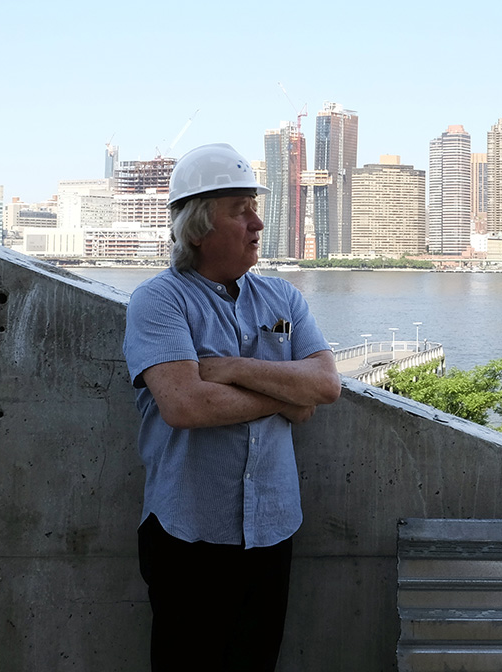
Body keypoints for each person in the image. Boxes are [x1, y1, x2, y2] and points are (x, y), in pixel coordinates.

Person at [124, 143, 341, 672]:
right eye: (240, 210)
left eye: (254, 208)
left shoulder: (283, 299)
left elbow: (325, 386)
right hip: (187, 532)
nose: (257, 223)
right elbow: (186, 405)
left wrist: (232, 368)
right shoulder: (160, 300)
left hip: (272, 528)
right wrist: (287, 396)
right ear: (198, 228)